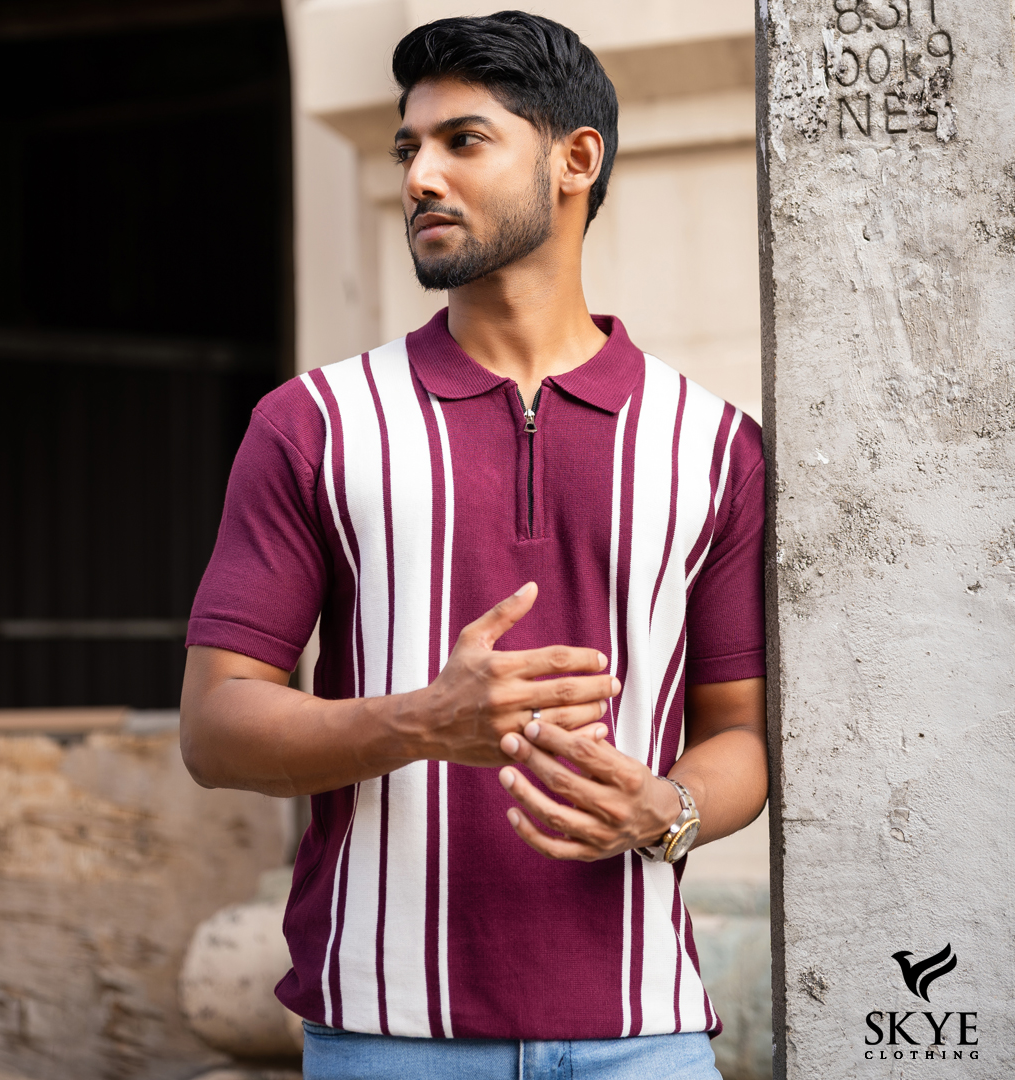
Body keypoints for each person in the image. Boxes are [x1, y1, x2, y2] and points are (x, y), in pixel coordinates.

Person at [180, 11, 767, 1079]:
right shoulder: (314, 424)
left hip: (646, 1035)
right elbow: (215, 730)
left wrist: (668, 809)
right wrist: (422, 720)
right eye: (408, 147)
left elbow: (740, 735)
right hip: (386, 1034)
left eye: (463, 141)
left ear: (575, 161)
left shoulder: (715, 445)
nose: (419, 176)